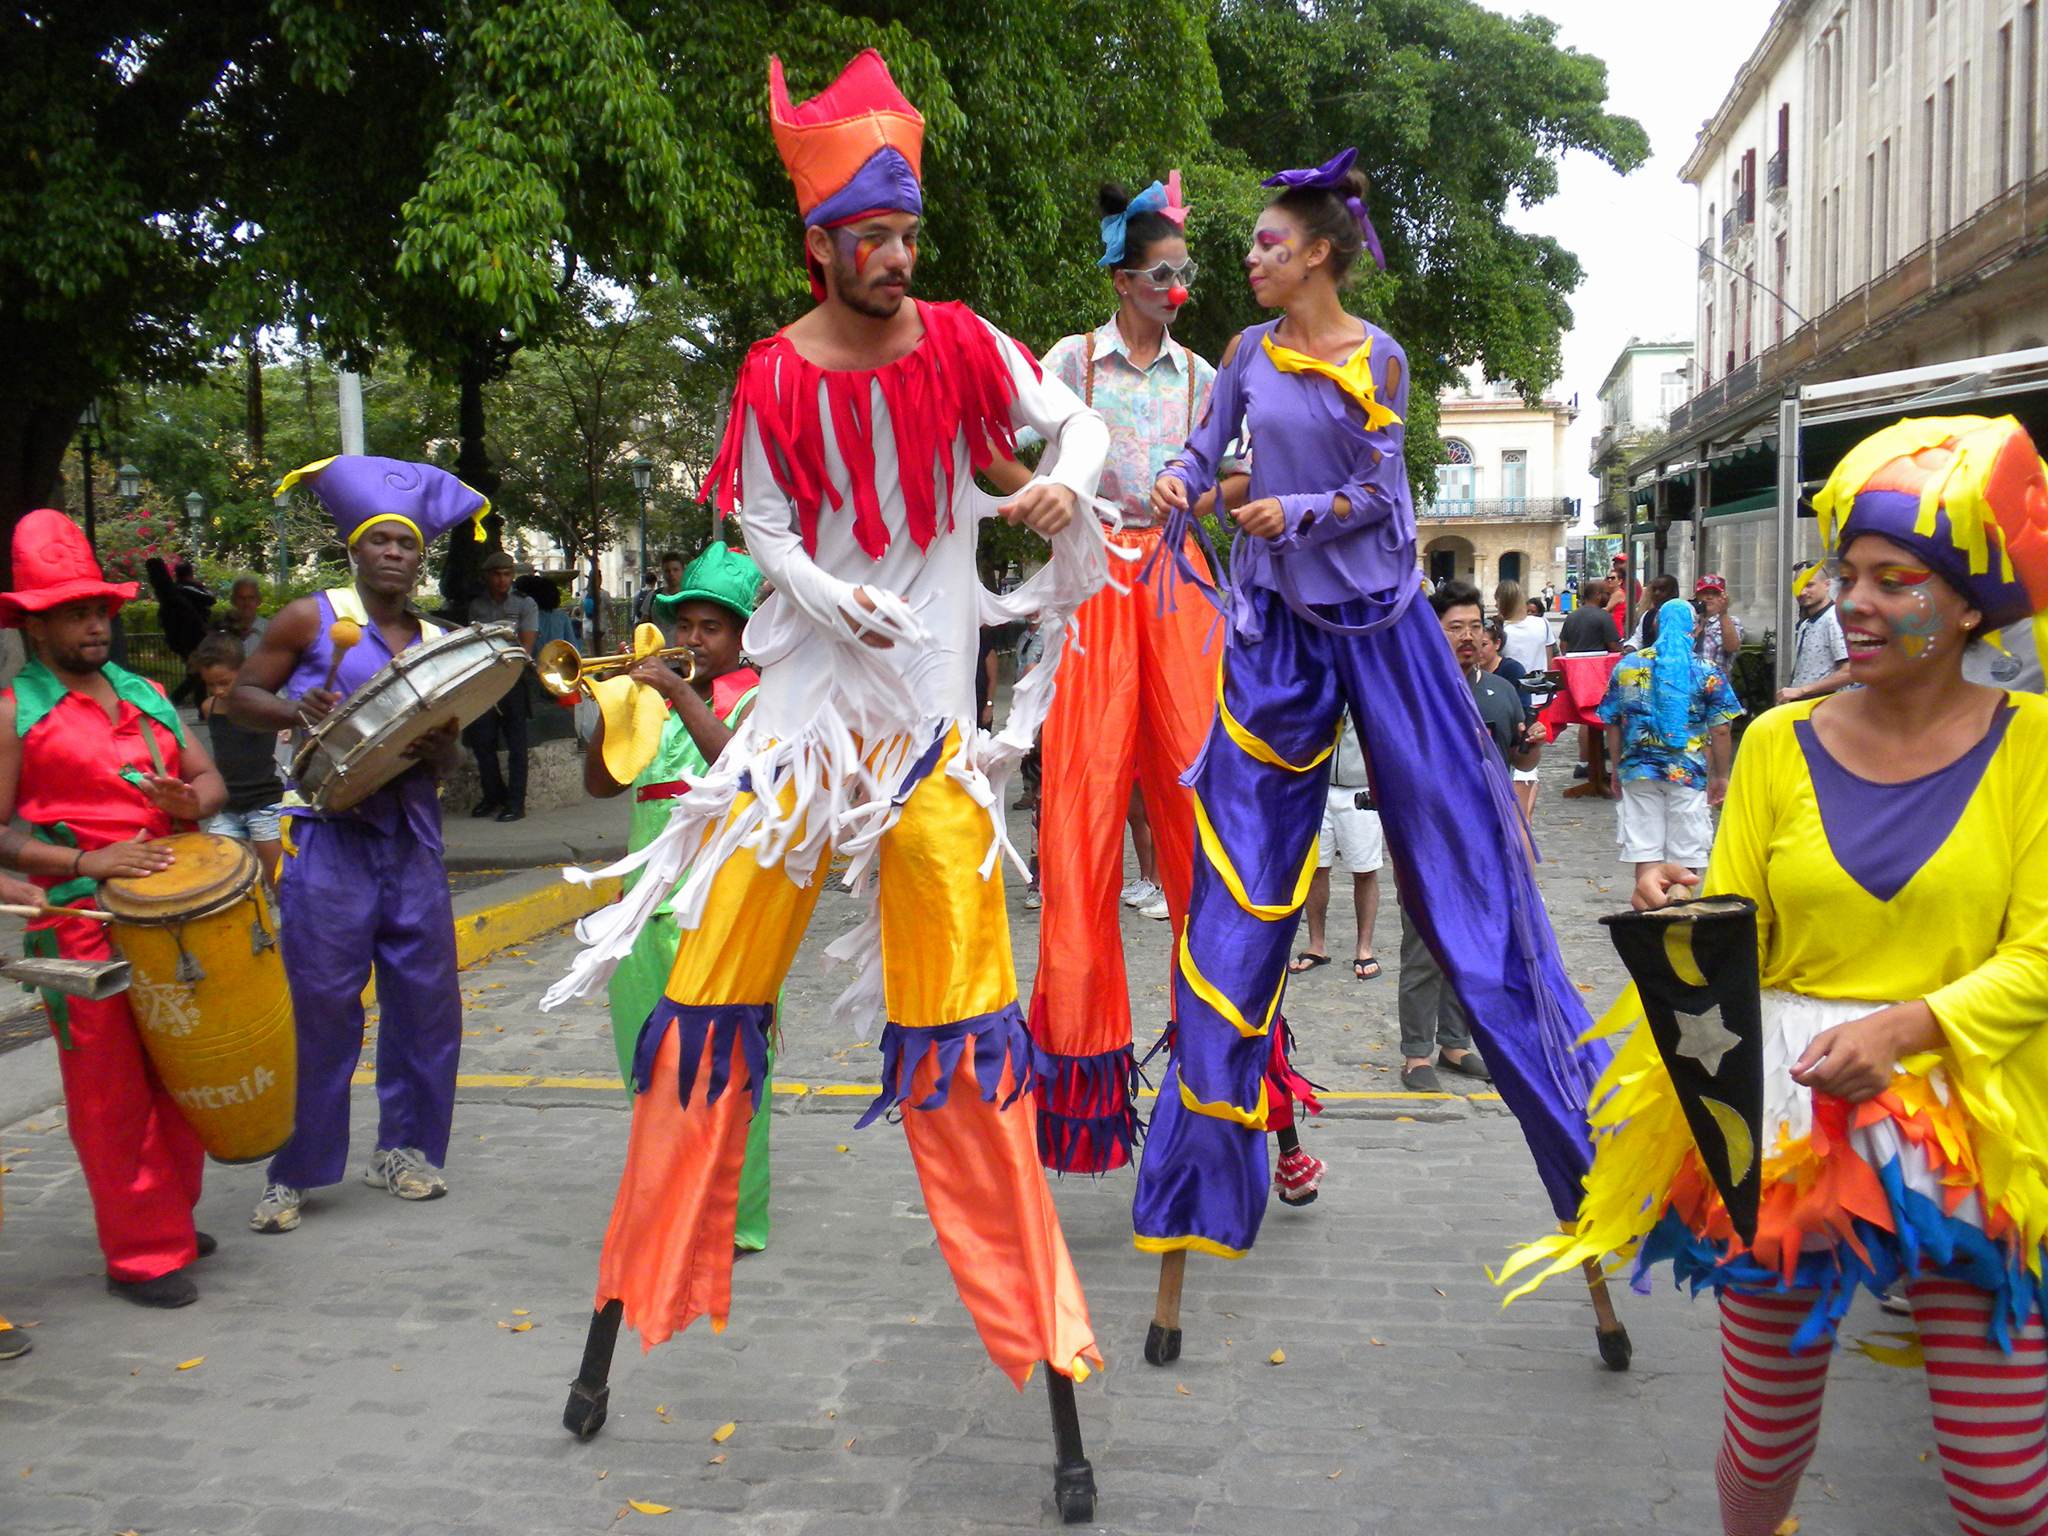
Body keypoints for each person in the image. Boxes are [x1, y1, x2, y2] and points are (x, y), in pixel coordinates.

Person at [544, 48, 1107, 1400]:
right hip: (797, 752)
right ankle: (642, 1287)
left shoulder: (968, 343)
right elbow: (761, 525)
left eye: (909, 234)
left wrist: (1055, 488)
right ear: (822, 245)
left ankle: (1043, 1338)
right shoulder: (776, 375)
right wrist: (820, 593)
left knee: (969, 1033)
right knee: (705, 1005)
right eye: (873, 238)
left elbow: (1073, 422)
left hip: (921, 749)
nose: (897, 258)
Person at [1501, 415, 2048, 1536]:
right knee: (1762, 1446)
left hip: (1970, 1115)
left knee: (2001, 1485)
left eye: (1891, 580)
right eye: (1843, 574)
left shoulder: (2032, 745)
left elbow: (2037, 956)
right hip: (1787, 1111)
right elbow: (1739, 935)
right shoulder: (1772, 745)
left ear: (1966, 605)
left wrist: (1906, 1029)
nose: (1850, 601)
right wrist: (1683, 916)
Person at [1134, 148, 1602, 1264]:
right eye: (1249, 243)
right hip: (1278, 637)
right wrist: (1179, 483)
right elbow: (1205, 455)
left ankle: (1575, 1131)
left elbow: (1379, 492)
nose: (1246, 258)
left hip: (1381, 626)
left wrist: (1292, 511)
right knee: (1240, 892)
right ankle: (1206, 1174)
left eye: (1265, 243)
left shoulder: (1377, 356)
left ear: (1320, 255)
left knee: (1458, 852)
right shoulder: (1244, 353)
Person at [984, 173, 1243, 1171]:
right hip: (1092, 580)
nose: (1181, 286)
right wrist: (1049, 495)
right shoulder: (1064, 363)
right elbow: (991, 451)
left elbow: (1234, 471)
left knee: (1201, 814)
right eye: (1165, 272)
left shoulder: (1202, 378)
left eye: (1186, 272)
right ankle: (1081, 1107)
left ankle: (1235, 1087)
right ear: (1123, 277)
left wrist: (1208, 493)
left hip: (1177, 582)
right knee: (1082, 818)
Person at [230, 455, 476, 1235]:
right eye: (382, 542)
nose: (396, 554)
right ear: (356, 550)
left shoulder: (441, 642)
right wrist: (295, 709)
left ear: (420, 556)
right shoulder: (311, 617)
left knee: (426, 1007)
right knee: (320, 1005)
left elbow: (449, 752)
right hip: (326, 837)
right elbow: (238, 697)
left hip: (410, 840)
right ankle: (294, 1169)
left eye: (408, 542)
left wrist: (445, 753)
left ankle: (403, 1150)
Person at [0, 510, 228, 1307]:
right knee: (111, 1091)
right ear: (34, 621)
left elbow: (211, 784)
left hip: (173, 914)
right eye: (74, 610)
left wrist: (186, 797)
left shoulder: (148, 692)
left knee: (183, 1068)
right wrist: (82, 860)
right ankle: (141, 1251)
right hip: (79, 923)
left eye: (99, 608)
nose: (94, 622)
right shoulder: (13, 713)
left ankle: (167, 1209)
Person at [583, 543, 774, 1253]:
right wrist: (616, 705)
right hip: (643, 910)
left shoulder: (763, 693)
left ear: (744, 636)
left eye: (711, 628)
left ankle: (732, 1220)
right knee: (649, 1065)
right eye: (684, 624)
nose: (693, 639)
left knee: (731, 1067)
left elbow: (743, 767)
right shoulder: (652, 697)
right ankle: (664, 1203)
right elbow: (601, 787)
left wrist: (680, 692)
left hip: (723, 909)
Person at [1393, 582, 1540, 1092]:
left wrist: (1532, 745)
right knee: (1424, 946)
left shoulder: (1501, 690)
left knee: (1474, 945)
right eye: (1455, 627)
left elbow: (1520, 763)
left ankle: (1455, 1044)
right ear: (1434, 632)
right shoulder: (1415, 691)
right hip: (1428, 840)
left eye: (1475, 626)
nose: (1468, 636)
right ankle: (1416, 1055)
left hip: (1487, 840)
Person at [1598, 597, 1742, 879]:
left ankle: (1649, 912)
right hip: (1688, 770)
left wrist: (1616, 767)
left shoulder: (1627, 666)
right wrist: (1721, 775)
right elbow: (1721, 729)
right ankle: (1679, 914)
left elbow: (1611, 722)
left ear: (1656, 625)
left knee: (1645, 852)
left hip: (1638, 770)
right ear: (1696, 628)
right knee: (1687, 855)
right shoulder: (1707, 670)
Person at [1290, 709, 1382, 987]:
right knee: (1316, 867)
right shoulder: (1320, 679)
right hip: (1318, 783)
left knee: (1365, 869)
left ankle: (1364, 949)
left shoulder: (1367, 679)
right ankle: (1316, 944)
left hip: (1361, 786)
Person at [192, 632, 285, 886]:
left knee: (276, 878)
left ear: (243, 671)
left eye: (224, 682)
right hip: (230, 807)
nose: (218, 690)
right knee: (218, 872)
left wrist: (286, 726)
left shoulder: (261, 705)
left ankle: (286, 923)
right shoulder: (210, 707)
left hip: (264, 804)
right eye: (211, 684)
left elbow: (287, 714)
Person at [465, 549, 539, 823]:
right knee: (483, 742)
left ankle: (516, 803)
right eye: (496, 575)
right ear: (487, 577)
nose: (501, 580)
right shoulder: (478, 606)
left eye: (507, 574)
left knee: (517, 745)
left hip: (513, 679)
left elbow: (527, 645)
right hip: (484, 680)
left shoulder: (525, 604)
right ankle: (493, 795)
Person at [1558, 576, 1626, 800]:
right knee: (1602, 720)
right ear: (1597, 596)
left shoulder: (1572, 617)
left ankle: (1592, 769)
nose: (1607, 596)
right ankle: (1598, 776)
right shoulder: (1602, 617)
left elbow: (1563, 646)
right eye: (1604, 593)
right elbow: (1614, 646)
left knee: (1585, 722)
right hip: (1598, 679)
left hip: (1576, 678)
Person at [1482, 619, 1543, 820]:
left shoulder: (1510, 672)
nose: (1478, 650)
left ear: (1497, 644)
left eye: (1484, 644)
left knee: (1518, 819)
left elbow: (1523, 713)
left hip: (1510, 748)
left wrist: (1527, 734)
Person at [1777, 558, 1852, 704]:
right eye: (1798, 586)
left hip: (1826, 709)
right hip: (1805, 707)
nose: (1802, 591)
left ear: (1827, 585)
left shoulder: (1834, 619)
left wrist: (1801, 690)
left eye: (1809, 585)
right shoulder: (1807, 622)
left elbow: (1849, 672)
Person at [1496, 579, 1550, 676]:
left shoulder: (1499, 630)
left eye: (1497, 601)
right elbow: (1549, 657)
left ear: (1501, 603)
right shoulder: (1543, 623)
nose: (1496, 605)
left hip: (1512, 686)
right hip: (1540, 686)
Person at [1693, 571, 1744, 670]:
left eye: (1715, 594)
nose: (1709, 597)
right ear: (1697, 596)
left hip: (1715, 683)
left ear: (1723, 597)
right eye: (1705, 593)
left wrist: (1723, 613)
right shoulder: (1689, 621)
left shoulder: (1732, 622)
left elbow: (1732, 647)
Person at [1624, 573, 1681, 651]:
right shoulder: (1648, 615)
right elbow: (1638, 639)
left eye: (1662, 589)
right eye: (1654, 590)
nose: (1656, 593)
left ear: (1674, 592)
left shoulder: (1682, 614)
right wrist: (1630, 647)